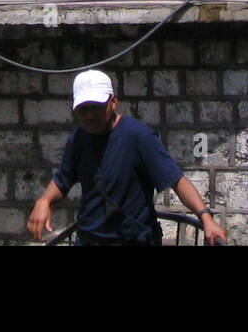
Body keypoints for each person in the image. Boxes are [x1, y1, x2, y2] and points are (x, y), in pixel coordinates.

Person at [26, 70, 227, 246]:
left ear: (113, 102)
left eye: (95, 107)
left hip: (132, 239)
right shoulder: (79, 138)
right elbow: (63, 179)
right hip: (89, 238)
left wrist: (205, 217)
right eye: (83, 109)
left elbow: (175, 179)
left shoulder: (139, 137)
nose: (89, 116)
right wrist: (44, 201)